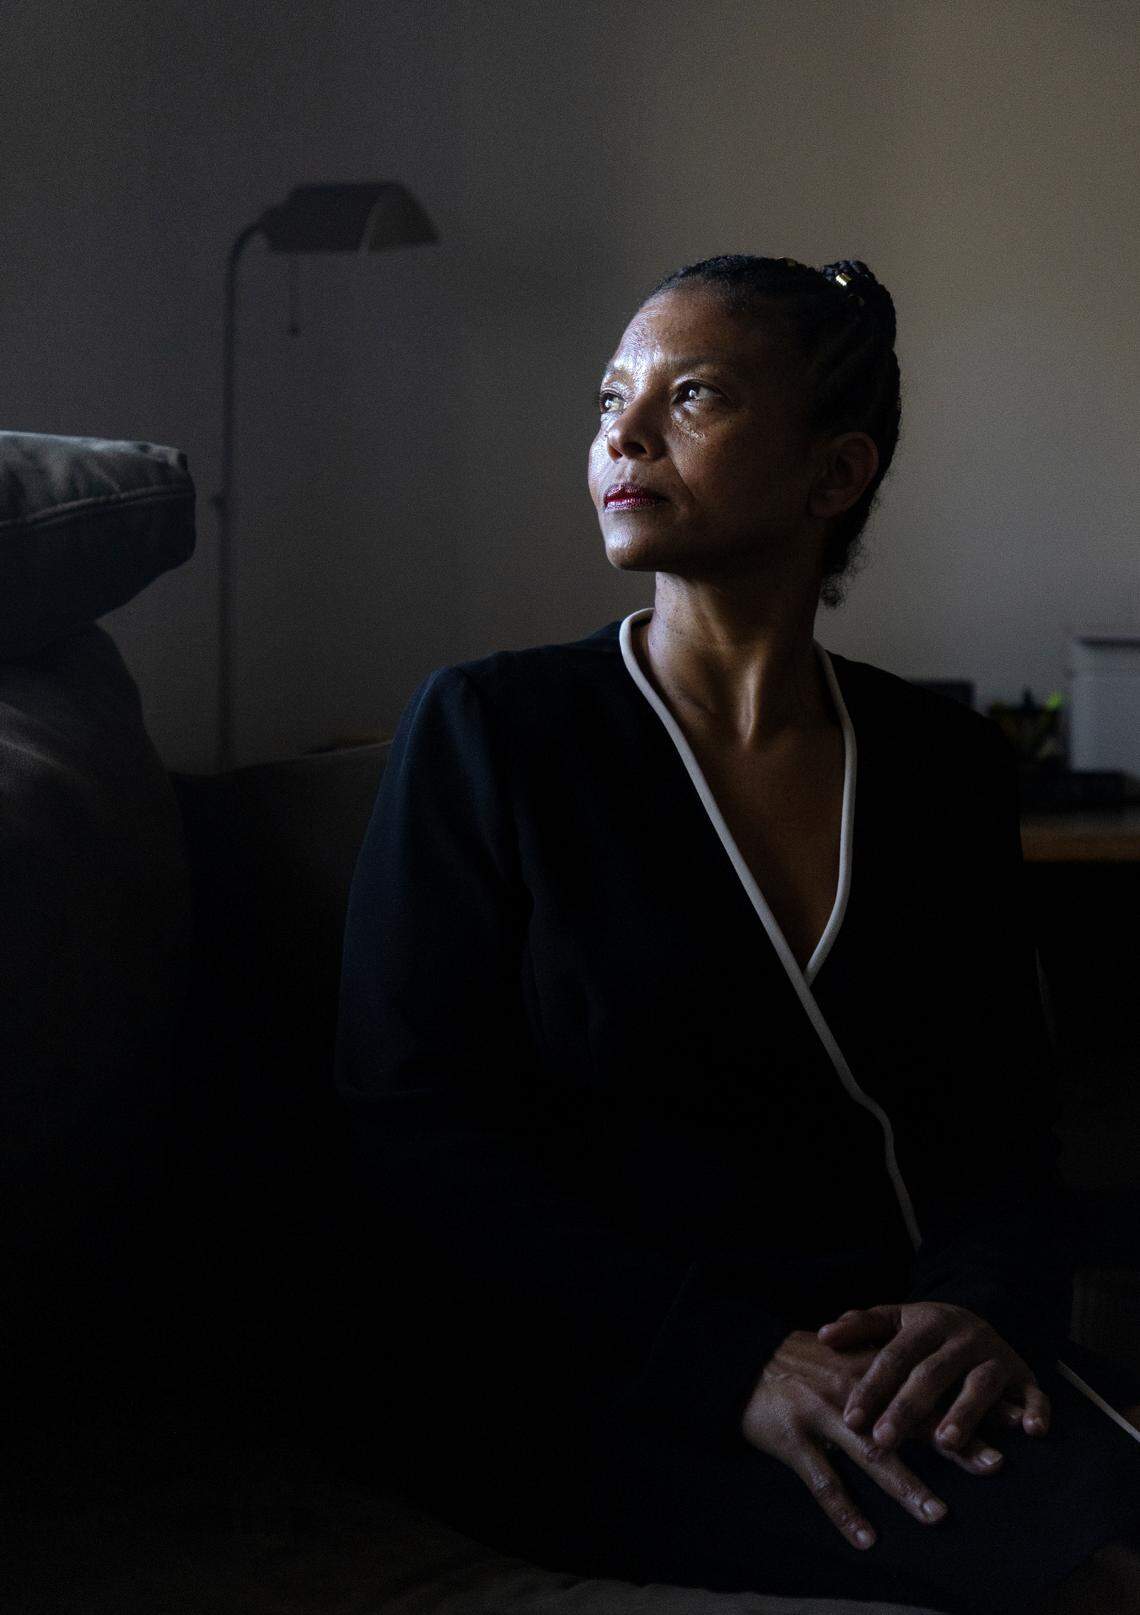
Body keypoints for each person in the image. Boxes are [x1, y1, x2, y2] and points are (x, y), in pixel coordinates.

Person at [334, 255, 1140, 1615]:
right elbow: (408, 1131)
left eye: (690, 396)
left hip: (879, 1351)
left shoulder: (938, 766)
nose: (623, 437)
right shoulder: (496, 732)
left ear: (833, 477)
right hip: (593, 1365)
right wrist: (732, 1364)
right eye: (611, 401)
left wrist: (981, 1311)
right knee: (1078, 1564)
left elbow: (1001, 1127)